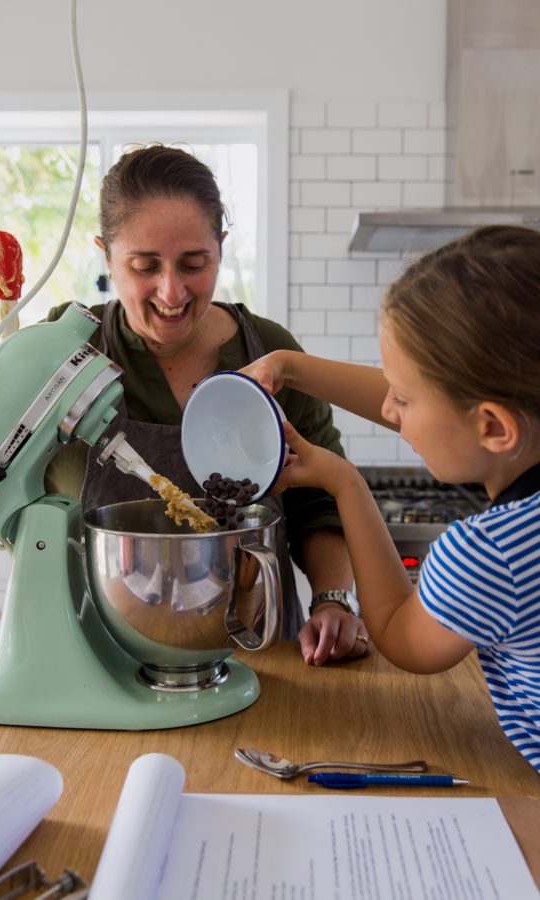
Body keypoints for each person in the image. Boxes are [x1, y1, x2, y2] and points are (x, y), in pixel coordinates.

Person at [44, 143, 369, 664]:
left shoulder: (271, 353)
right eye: (144, 266)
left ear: (221, 248)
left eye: (194, 263)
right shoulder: (63, 351)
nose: (171, 293)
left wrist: (333, 600)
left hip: (257, 653)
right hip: (97, 657)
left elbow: (318, 505)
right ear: (105, 255)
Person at [241, 225, 540, 772]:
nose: (388, 411)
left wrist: (345, 483)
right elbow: (436, 396)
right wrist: (289, 367)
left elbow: (402, 638)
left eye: (402, 397)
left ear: (495, 428)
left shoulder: (489, 553)